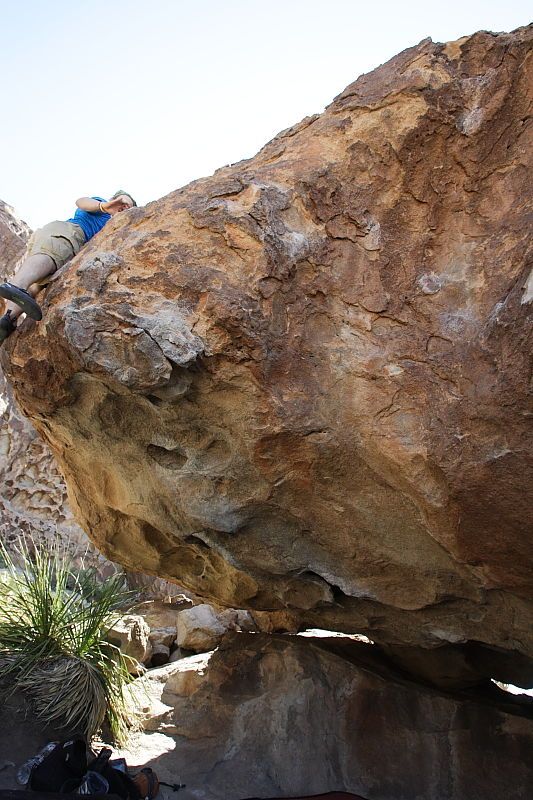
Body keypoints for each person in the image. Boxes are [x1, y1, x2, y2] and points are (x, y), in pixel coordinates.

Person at [0, 191, 136, 345]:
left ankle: (8, 319)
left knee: (35, 287)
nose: (124, 208)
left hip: (58, 247)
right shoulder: (101, 206)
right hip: (67, 233)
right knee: (50, 254)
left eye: (128, 207)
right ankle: (15, 286)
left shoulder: (112, 226)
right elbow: (81, 202)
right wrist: (105, 206)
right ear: (115, 199)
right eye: (123, 203)